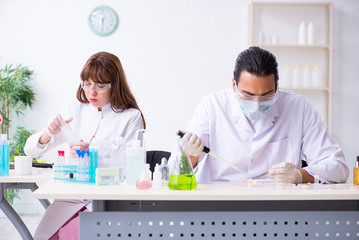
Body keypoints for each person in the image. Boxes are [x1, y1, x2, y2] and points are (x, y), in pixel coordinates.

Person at [178, 46, 349, 184]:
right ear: (234, 85)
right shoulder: (212, 106)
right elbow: (172, 173)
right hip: (217, 208)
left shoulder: (298, 107)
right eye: (248, 94)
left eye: (267, 95)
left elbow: (338, 167)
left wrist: (299, 175)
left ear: (277, 86)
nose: (258, 103)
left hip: (276, 207)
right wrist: (192, 156)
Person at [24, 52, 145, 240]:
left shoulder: (130, 117)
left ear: (115, 85)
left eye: (100, 86)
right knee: (44, 236)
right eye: (87, 84)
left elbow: (129, 171)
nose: (92, 92)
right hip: (70, 197)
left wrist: (91, 155)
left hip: (107, 200)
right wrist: (48, 133)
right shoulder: (75, 110)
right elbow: (29, 150)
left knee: (77, 234)